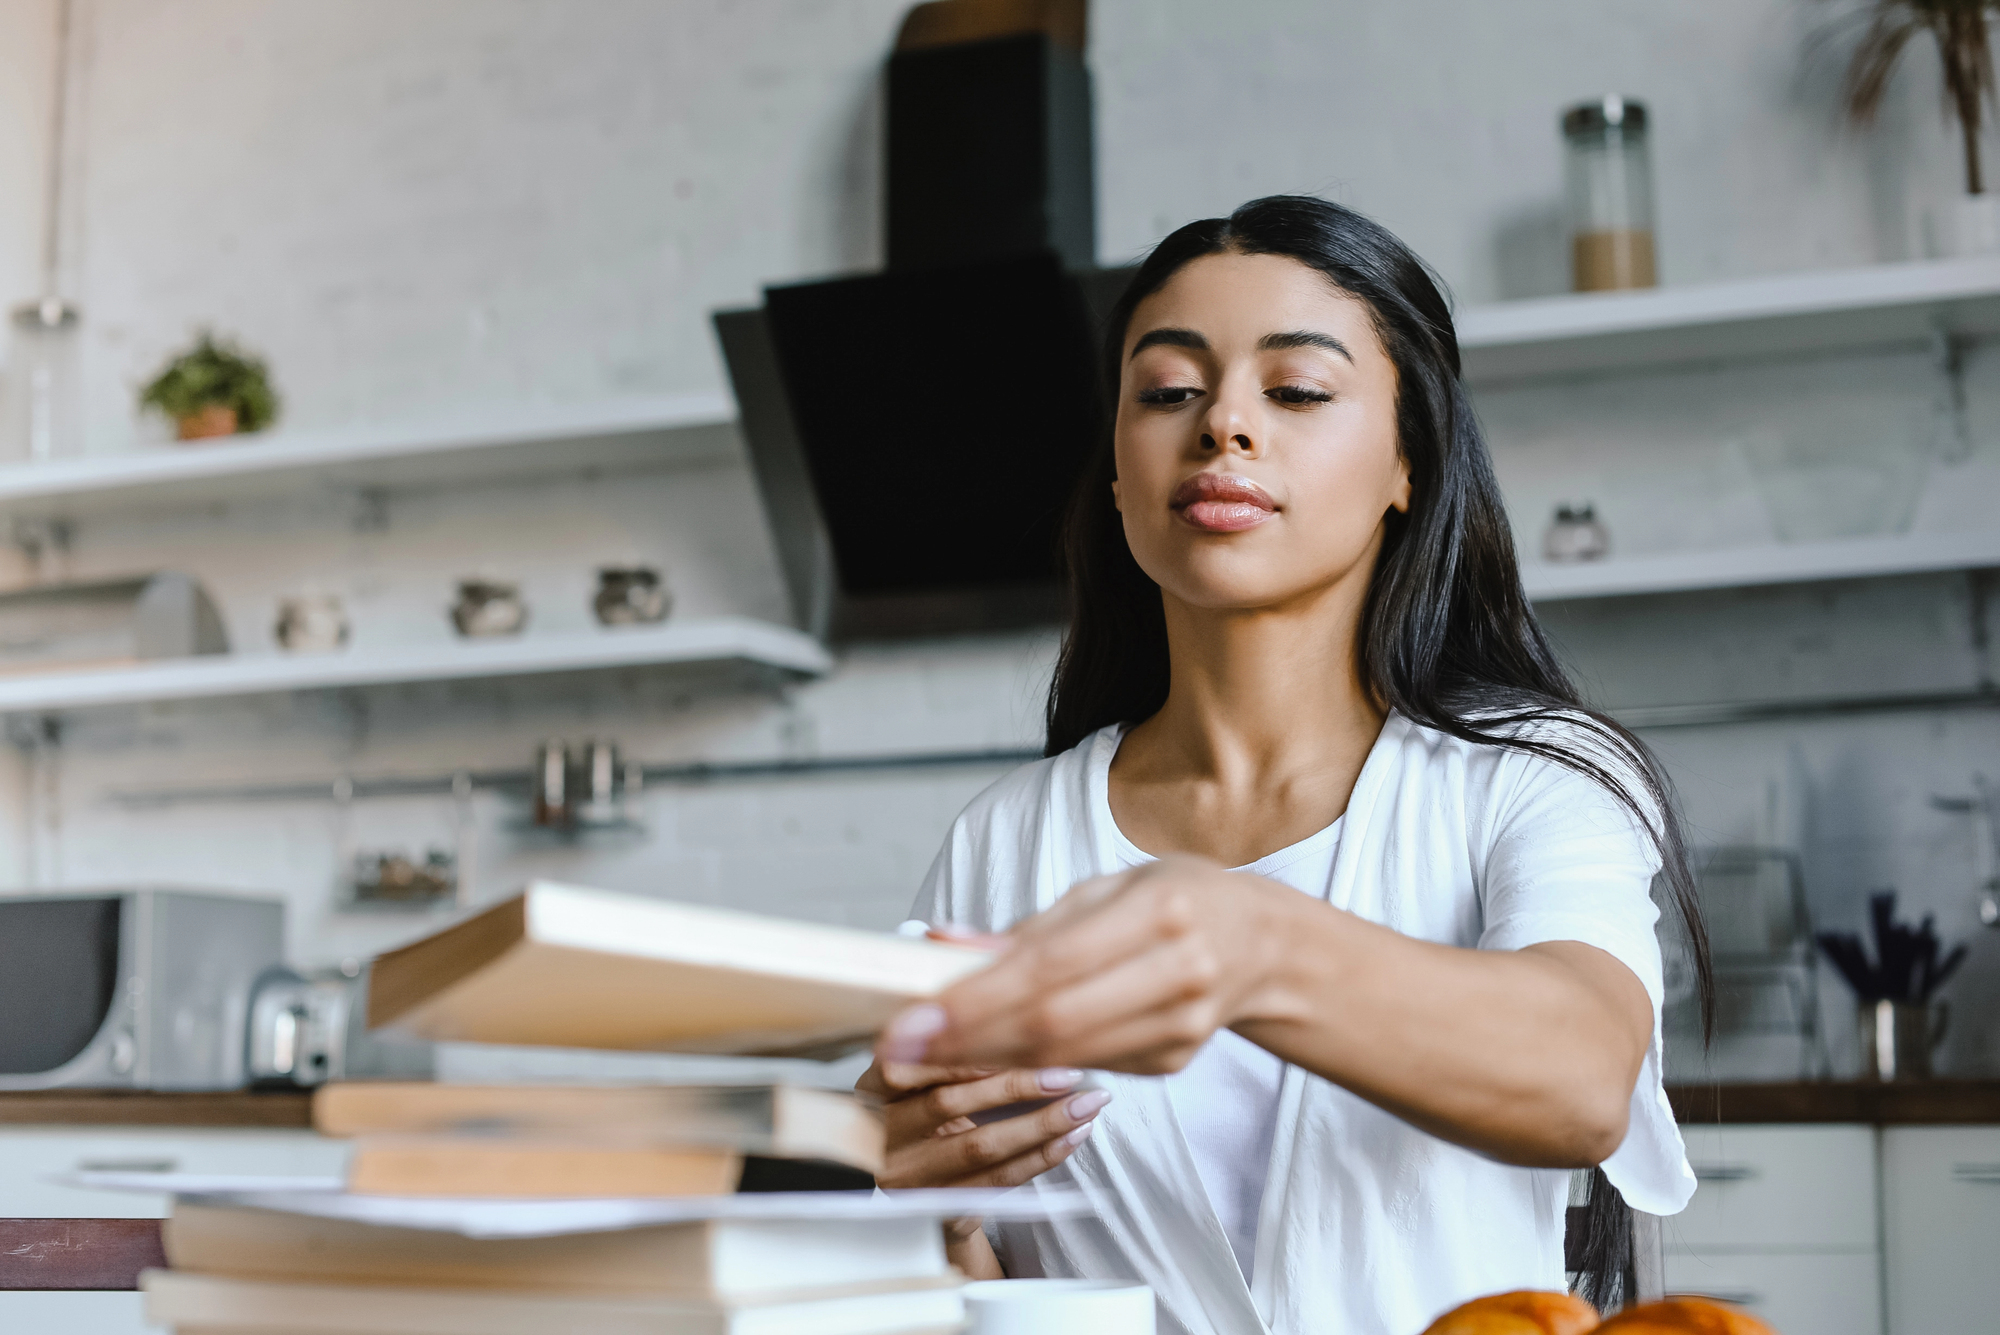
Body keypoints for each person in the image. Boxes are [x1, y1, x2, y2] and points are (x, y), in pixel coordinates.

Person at [855, 195, 1711, 1335]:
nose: (1222, 426)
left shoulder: (1530, 779)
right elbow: (979, 1283)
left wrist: (1245, 942)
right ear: (1116, 475)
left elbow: (1580, 1081)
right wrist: (910, 1212)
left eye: (1296, 390)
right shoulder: (1004, 841)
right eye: (1166, 391)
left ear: (1409, 462)